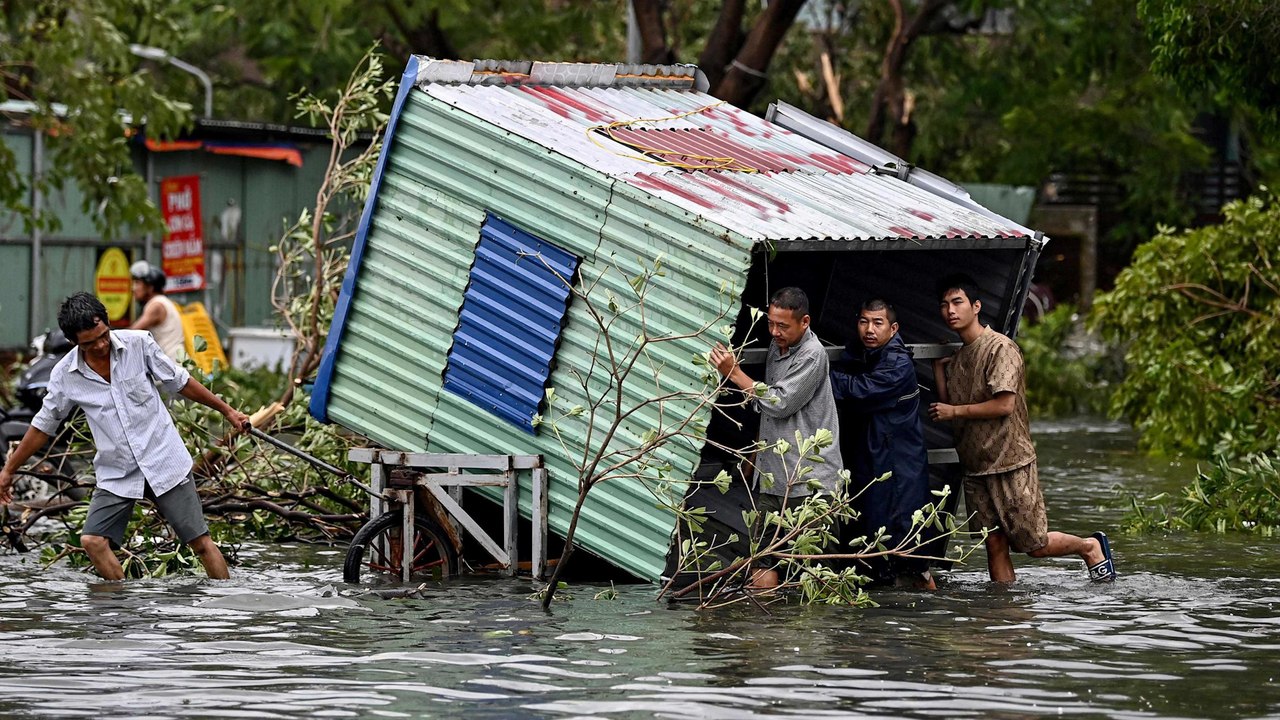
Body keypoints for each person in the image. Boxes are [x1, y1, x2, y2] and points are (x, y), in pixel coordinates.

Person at [0, 292, 249, 581]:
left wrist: (228, 411)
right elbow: (43, 426)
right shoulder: (64, 375)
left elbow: (180, 382)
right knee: (93, 541)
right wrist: (9, 469)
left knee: (200, 543)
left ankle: (224, 605)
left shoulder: (139, 344)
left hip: (163, 460)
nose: (101, 345)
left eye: (103, 335)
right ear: (74, 343)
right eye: (90, 343)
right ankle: (124, 611)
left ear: (107, 323)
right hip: (117, 470)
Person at [928, 274, 1116, 584]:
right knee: (994, 545)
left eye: (958, 302)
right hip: (976, 466)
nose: (950, 310)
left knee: (1034, 545)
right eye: (944, 305)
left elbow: (1004, 405)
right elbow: (950, 412)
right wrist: (939, 372)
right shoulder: (959, 357)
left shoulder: (1001, 348)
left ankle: (1089, 546)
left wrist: (954, 410)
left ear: (976, 306)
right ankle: (1006, 614)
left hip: (1009, 460)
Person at [710, 287, 844, 588]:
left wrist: (735, 373)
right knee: (762, 559)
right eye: (770, 323)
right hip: (774, 477)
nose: (774, 331)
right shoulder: (776, 346)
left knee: (816, 571)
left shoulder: (813, 354)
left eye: (782, 325)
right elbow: (768, 411)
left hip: (811, 482)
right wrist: (758, 451)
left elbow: (779, 403)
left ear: (805, 322)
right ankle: (766, 633)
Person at [830, 299, 935, 590]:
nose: (869, 329)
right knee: (874, 535)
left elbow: (861, 391)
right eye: (864, 321)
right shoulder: (862, 353)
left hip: (898, 464)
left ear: (893, 328)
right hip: (874, 460)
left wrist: (823, 375)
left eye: (877, 323)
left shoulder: (896, 362)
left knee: (905, 543)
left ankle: (925, 598)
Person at [129, 260, 186, 360]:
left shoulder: (156, 305)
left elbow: (132, 333)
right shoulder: (162, 302)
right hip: (173, 362)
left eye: (138, 283)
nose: (133, 288)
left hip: (172, 364)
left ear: (150, 287)